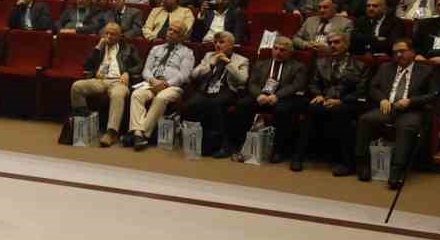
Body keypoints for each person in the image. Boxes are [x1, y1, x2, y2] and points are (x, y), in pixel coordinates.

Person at [355, 40, 438, 189]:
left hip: (411, 109)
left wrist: (411, 101)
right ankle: (363, 164)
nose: (398, 55)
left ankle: (396, 171)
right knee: (365, 120)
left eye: (402, 51)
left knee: (406, 127)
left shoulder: (426, 70)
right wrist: (382, 99)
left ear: (412, 52)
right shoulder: (385, 68)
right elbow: (373, 87)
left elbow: (433, 94)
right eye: (395, 52)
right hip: (389, 107)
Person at [298, 32, 373, 174]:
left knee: (340, 112)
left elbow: (361, 91)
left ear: (347, 44)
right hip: (324, 99)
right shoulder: (320, 62)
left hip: (347, 102)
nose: (333, 45)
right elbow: (313, 84)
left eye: (337, 42)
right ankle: (299, 157)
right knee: (310, 108)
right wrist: (319, 95)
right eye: (330, 42)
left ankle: (348, 163)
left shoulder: (361, 65)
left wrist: (340, 100)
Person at [235, 35, 310, 163]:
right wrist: (259, 95)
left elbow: (296, 85)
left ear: (290, 52)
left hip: (283, 98)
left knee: (282, 110)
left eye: (282, 50)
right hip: (262, 96)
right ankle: (241, 144)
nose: (278, 52)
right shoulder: (261, 64)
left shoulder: (298, 66)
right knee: (243, 104)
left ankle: (278, 150)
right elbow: (252, 83)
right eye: (275, 48)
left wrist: (277, 96)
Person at [180, 30, 249, 158]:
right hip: (206, 88)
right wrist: (210, 65)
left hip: (226, 90)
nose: (217, 45)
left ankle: (218, 146)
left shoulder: (242, 60)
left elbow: (243, 79)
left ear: (231, 45)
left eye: (221, 42)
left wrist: (228, 62)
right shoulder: (208, 56)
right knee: (190, 104)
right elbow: (194, 75)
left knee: (215, 105)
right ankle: (193, 142)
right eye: (215, 42)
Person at [128, 25, 194, 149]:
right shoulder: (156, 49)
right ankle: (138, 134)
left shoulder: (187, 52)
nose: (171, 33)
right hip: (152, 83)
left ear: (182, 37)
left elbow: (184, 75)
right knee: (137, 94)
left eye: (176, 32)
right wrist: (152, 80)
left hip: (172, 86)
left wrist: (166, 84)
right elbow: (146, 69)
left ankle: (140, 134)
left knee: (161, 97)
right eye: (170, 30)